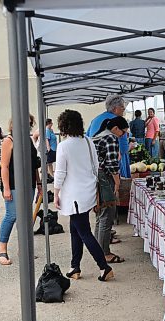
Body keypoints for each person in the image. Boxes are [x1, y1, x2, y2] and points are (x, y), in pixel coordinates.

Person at [53, 109, 114, 282]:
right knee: (75, 229)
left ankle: (104, 266)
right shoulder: (88, 141)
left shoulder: (63, 145)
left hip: (73, 195)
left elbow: (60, 173)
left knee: (84, 232)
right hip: (87, 192)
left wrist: (56, 193)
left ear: (63, 125)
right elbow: (96, 166)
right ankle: (75, 266)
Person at [0, 115, 40, 265]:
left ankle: (24, 249)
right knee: (12, 215)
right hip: (14, 184)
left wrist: (39, 184)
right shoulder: (9, 141)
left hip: (30, 184)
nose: (27, 126)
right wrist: (6, 188)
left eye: (29, 124)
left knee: (26, 218)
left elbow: (34, 164)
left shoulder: (28, 139)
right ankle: (2, 249)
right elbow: (4, 166)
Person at [92, 116, 129, 264]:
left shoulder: (97, 136)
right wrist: (117, 183)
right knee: (107, 214)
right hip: (104, 177)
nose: (123, 136)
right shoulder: (110, 138)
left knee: (100, 215)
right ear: (115, 129)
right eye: (123, 132)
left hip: (94, 177)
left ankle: (97, 249)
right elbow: (112, 164)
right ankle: (104, 253)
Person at [86, 95, 131, 178]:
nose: (124, 110)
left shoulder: (95, 119)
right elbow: (123, 149)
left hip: (96, 164)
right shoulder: (119, 122)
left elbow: (87, 138)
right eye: (122, 107)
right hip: (113, 166)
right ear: (115, 109)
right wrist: (130, 147)